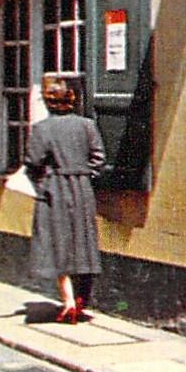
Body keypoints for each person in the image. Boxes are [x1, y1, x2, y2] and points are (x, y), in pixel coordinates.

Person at [24, 74, 106, 323]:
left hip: (55, 189)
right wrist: (83, 174)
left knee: (58, 245)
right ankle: (80, 300)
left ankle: (68, 301)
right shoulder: (87, 125)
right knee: (82, 244)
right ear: (71, 101)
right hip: (81, 189)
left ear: (49, 103)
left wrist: (44, 181)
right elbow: (98, 158)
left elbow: (33, 161)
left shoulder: (42, 129)